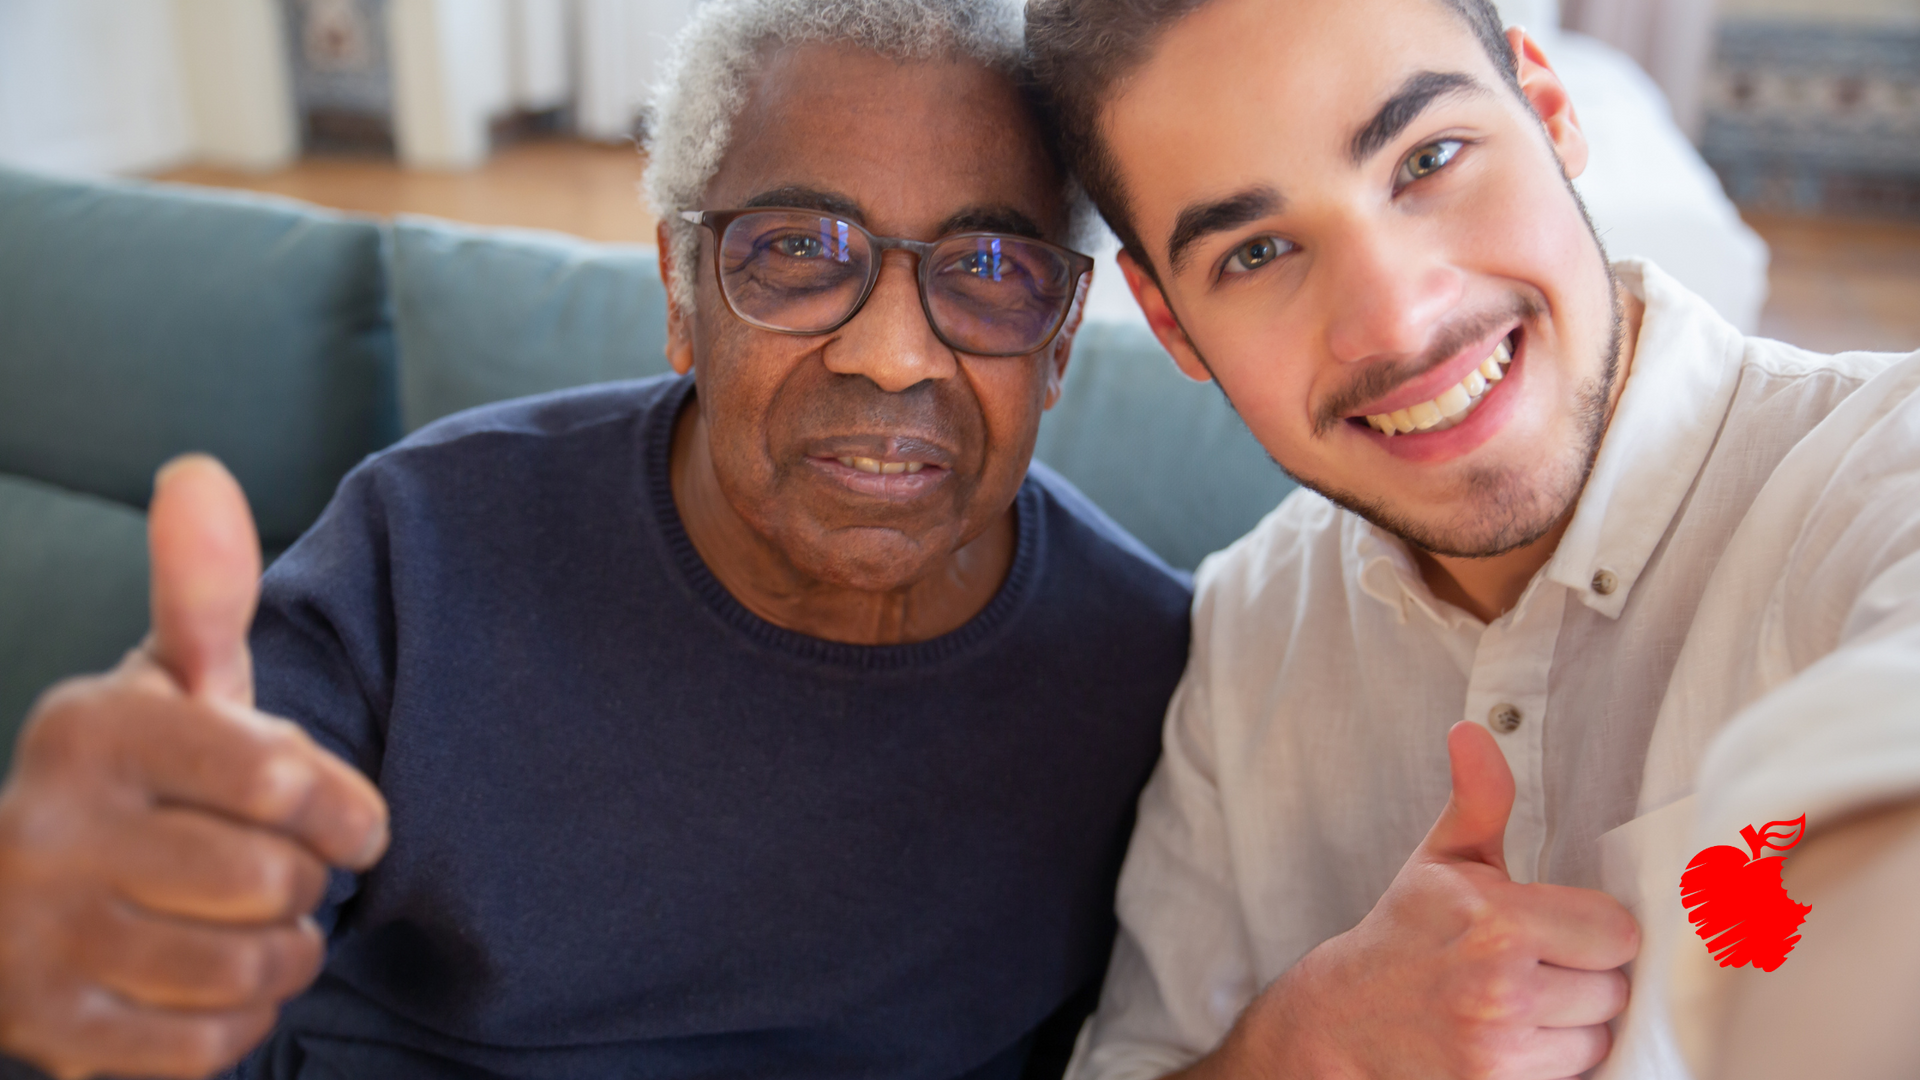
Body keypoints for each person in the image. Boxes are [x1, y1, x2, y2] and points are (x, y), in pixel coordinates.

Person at [0, 2, 1195, 1077]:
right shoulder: (424, 543)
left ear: (1061, 342)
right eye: (795, 249)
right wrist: (127, 909)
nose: (892, 354)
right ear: (681, 291)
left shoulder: (1150, 676)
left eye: (989, 269)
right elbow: (206, 847)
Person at [1025, 0, 1920, 1077]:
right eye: (1258, 251)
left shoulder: (1880, 471)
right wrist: (1310, 1043)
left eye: (1428, 158)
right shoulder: (1242, 637)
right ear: (1170, 324)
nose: (1395, 322)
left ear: (1548, 109)